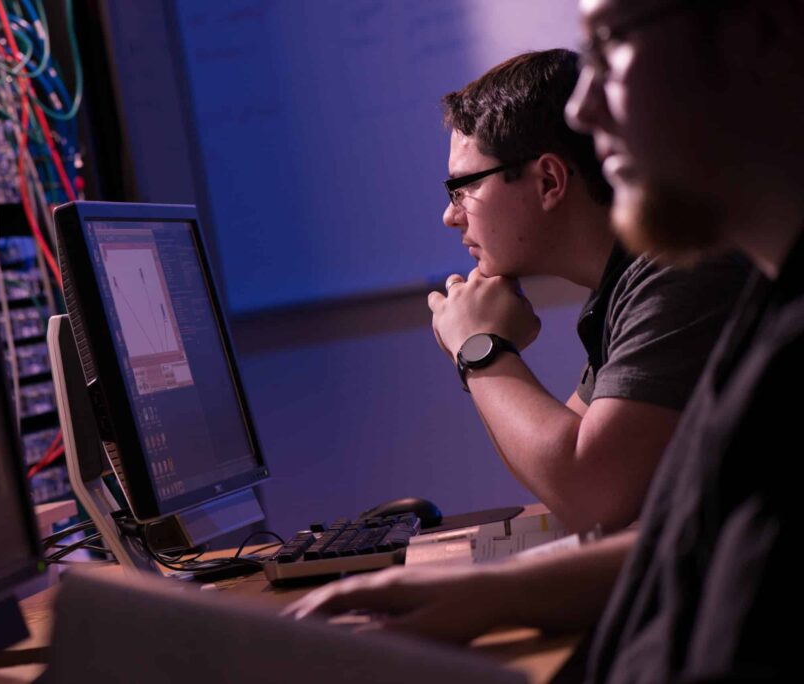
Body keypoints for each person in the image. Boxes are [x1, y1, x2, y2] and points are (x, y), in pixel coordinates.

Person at [288, 0, 802, 679]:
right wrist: (493, 591)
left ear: (761, 30)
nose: (585, 110)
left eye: (611, 43)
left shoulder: (694, 273)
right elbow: (685, 530)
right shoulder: (756, 299)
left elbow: (594, 489)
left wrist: (481, 349)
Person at [429, 49, 747, 533]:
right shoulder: (627, 283)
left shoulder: (679, 272)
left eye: (463, 187)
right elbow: (559, 479)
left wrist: (480, 349)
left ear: (549, 181)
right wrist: (481, 351)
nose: (451, 216)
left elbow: (591, 494)